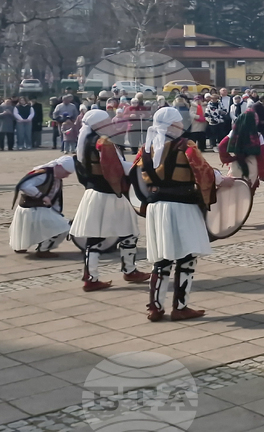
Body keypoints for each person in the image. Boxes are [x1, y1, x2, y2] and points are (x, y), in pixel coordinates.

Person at [139, 107, 229, 321]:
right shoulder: (185, 145)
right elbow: (204, 171)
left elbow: (135, 175)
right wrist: (222, 180)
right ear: (171, 125)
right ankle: (180, 307)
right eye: (179, 123)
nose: (182, 127)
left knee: (162, 259)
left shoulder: (147, 147)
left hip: (156, 207)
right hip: (182, 206)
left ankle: (155, 307)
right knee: (187, 256)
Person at [70, 110, 149, 291]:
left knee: (105, 236)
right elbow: (116, 168)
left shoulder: (87, 141)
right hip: (109, 193)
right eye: (107, 120)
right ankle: (120, 272)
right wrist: (140, 167)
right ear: (99, 124)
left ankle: (98, 275)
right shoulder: (103, 141)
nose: (111, 122)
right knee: (122, 234)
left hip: (96, 192)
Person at [9, 156, 74, 257]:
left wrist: (57, 213)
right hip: (31, 208)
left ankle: (24, 246)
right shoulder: (43, 174)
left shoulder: (56, 178)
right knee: (63, 227)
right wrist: (41, 196)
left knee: (56, 222)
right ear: (59, 166)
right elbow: (24, 185)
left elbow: (56, 198)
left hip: (37, 209)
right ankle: (43, 249)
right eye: (66, 172)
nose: (67, 176)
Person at [218, 111, 264, 191]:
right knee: (249, 191)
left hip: (237, 163)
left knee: (234, 190)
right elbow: (262, 156)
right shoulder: (258, 135)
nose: (257, 120)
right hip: (252, 164)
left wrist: (228, 158)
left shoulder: (233, 133)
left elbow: (221, 146)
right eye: (255, 118)